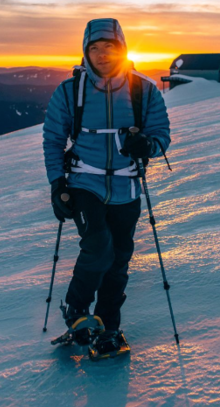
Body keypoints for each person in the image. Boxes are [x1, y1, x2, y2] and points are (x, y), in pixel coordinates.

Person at [42, 18, 171, 355]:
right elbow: (54, 139)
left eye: (108, 47)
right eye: (94, 48)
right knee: (98, 247)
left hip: (127, 188)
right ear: (86, 52)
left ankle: (108, 324)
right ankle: (77, 310)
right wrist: (58, 184)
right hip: (85, 182)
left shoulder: (144, 91)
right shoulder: (70, 91)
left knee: (119, 259)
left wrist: (146, 145)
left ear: (121, 49)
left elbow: (161, 136)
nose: (101, 54)